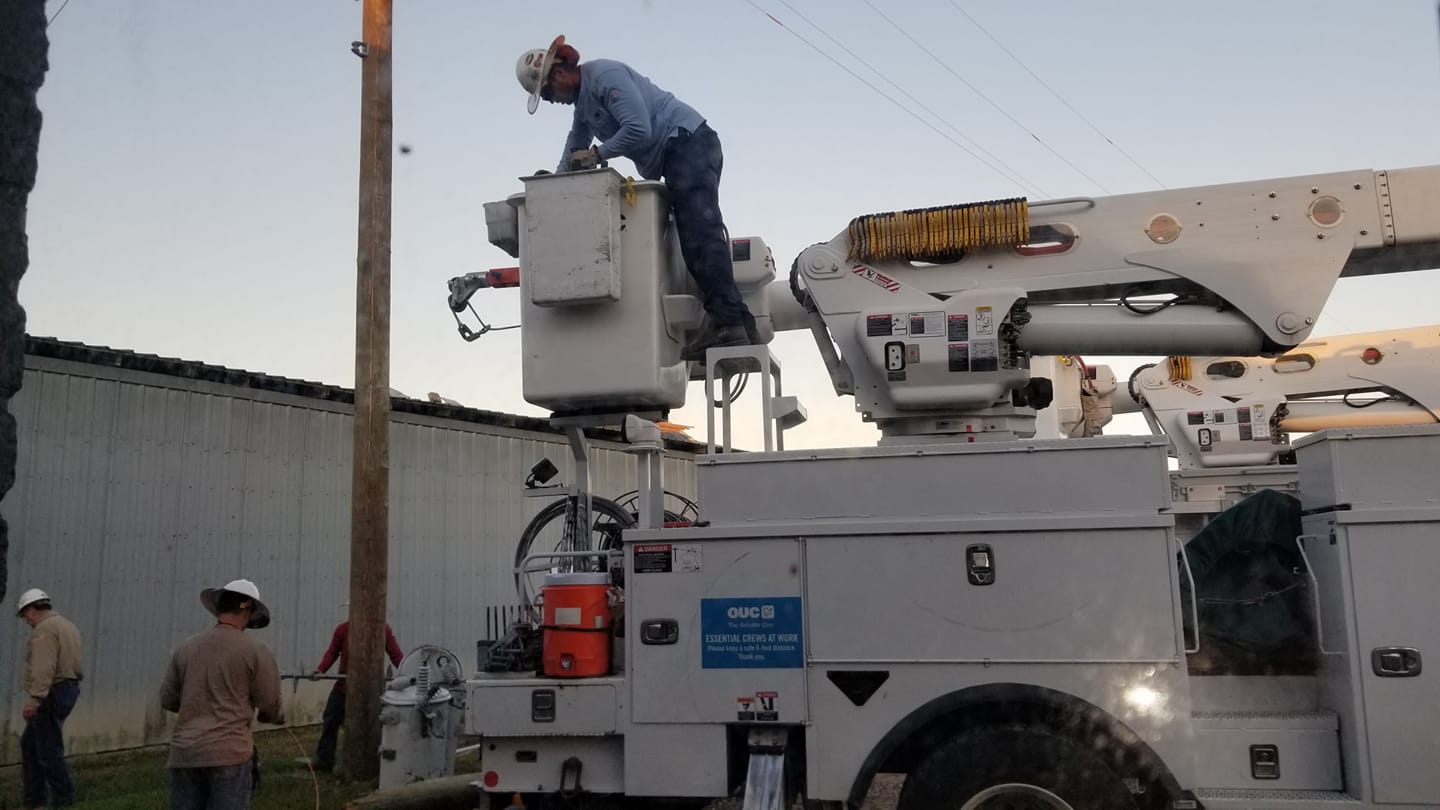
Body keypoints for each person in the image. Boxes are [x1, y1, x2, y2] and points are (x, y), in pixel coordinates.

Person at [516, 35, 758, 361]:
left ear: (558, 74)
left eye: (546, 93)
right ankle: (741, 325)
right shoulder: (584, 107)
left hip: (688, 142)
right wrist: (555, 184)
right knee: (697, 237)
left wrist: (597, 154)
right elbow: (575, 145)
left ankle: (729, 324)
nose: (550, 101)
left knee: (699, 237)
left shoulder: (605, 77)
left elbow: (639, 129)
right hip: (680, 151)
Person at [160, 579, 283, 810]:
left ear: (218, 609)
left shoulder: (186, 647)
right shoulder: (256, 650)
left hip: (186, 753)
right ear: (247, 612)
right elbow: (269, 703)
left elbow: (168, 699)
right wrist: (274, 717)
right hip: (229, 753)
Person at [309, 612, 404, 772]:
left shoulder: (383, 630)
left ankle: (376, 761)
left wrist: (407, 671)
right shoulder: (343, 629)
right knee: (330, 721)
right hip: (344, 687)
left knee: (375, 725)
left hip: (371, 690)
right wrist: (320, 669)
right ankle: (325, 759)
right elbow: (332, 652)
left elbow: (396, 655)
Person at [16, 588, 84, 809]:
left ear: (32, 609)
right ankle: (35, 800)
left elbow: (44, 667)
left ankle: (61, 799)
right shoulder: (67, 625)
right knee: (31, 744)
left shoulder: (44, 630)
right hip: (69, 689)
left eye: (24, 615)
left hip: (51, 693)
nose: (26, 620)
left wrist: (34, 700)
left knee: (47, 750)